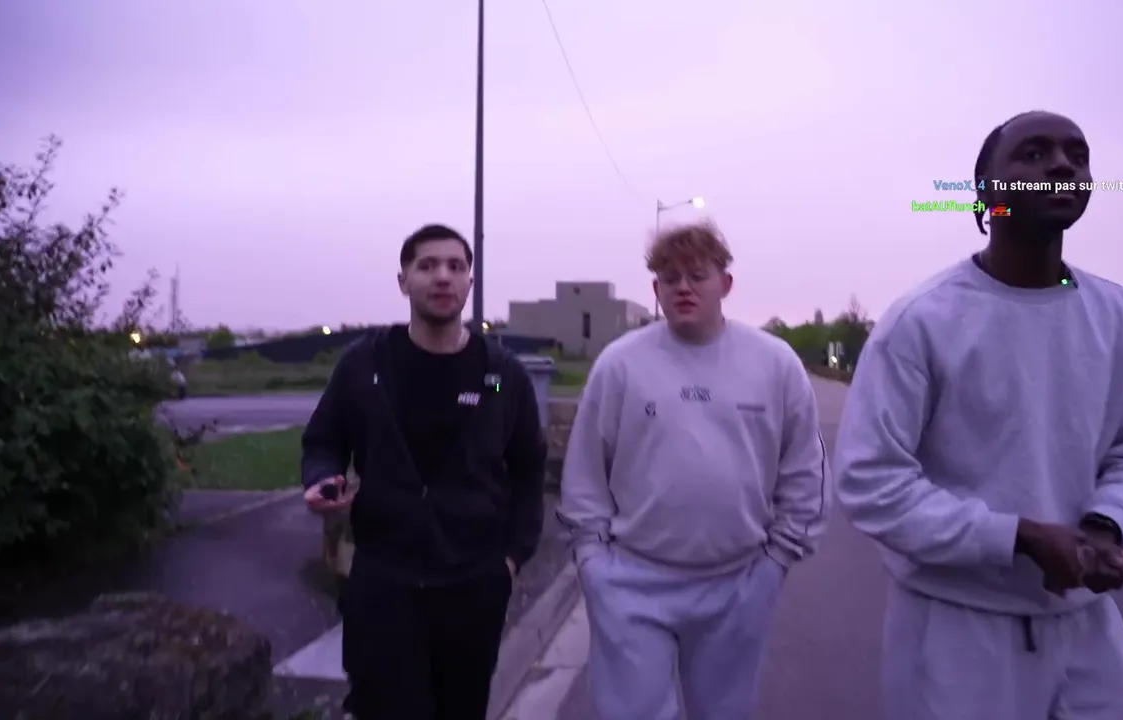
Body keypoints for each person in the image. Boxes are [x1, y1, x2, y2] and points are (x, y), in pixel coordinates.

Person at [834, 111, 1123, 719]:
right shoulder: (924, 320)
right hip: (957, 632)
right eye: (1034, 154)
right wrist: (1019, 538)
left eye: (1077, 155)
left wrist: (1107, 526)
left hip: (1087, 625)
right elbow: (870, 480)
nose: (1062, 165)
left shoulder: (1114, 312)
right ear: (987, 191)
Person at [558, 220, 830, 720]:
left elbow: (804, 470)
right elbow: (585, 472)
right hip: (632, 583)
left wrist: (777, 560)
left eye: (697, 275)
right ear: (656, 289)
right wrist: (592, 560)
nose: (683, 287)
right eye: (670, 277)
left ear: (725, 284)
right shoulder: (620, 365)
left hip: (739, 581)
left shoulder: (775, 364)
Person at [300, 223, 547, 720]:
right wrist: (322, 477)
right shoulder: (364, 363)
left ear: (470, 282)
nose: (442, 277)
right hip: (383, 581)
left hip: (473, 587)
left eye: (456, 266)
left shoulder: (502, 375)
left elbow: (528, 471)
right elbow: (324, 439)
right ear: (403, 280)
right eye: (427, 265)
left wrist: (510, 560)